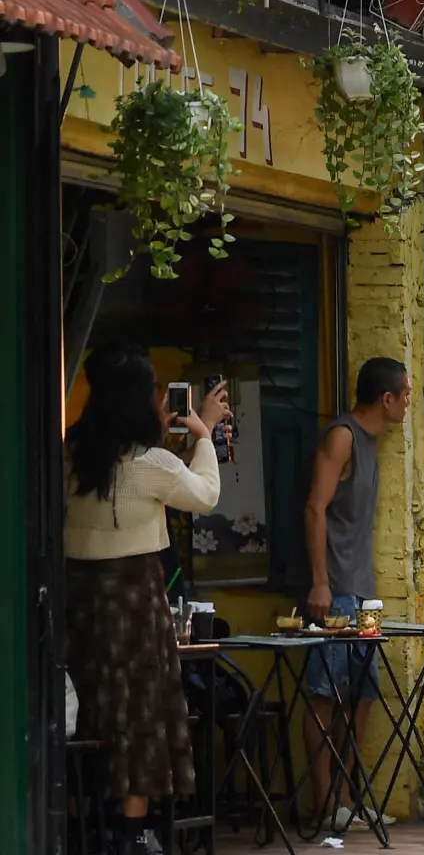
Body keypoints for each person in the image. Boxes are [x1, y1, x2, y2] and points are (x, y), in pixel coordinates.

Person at [64, 345, 228, 855]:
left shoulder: (69, 454)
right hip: (135, 599)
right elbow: (204, 495)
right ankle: (133, 830)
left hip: (81, 599)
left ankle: (87, 819)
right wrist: (202, 434)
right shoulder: (148, 462)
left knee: (92, 705)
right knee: (139, 713)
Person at [304, 356, 410, 832]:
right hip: (337, 589)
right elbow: (315, 508)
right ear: (386, 398)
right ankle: (325, 801)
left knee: (362, 697)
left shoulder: (371, 442)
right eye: (405, 395)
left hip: (365, 593)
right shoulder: (343, 436)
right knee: (325, 696)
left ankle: (349, 794)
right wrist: (320, 580)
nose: (409, 403)